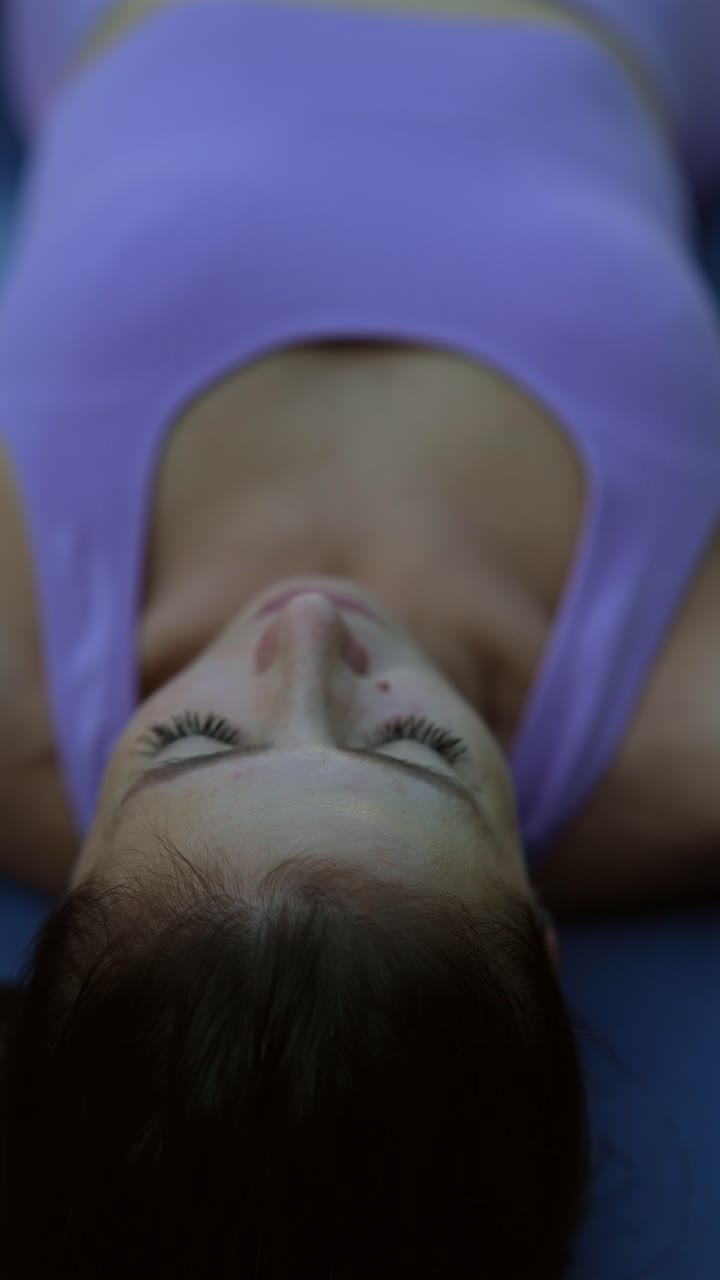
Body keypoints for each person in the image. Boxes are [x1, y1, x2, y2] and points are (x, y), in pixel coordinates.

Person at [0, 0, 718, 1275]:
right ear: (536, 927)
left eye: (198, 734)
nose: (312, 628)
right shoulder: (677, 733)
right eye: (423, 746)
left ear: (81, 867)